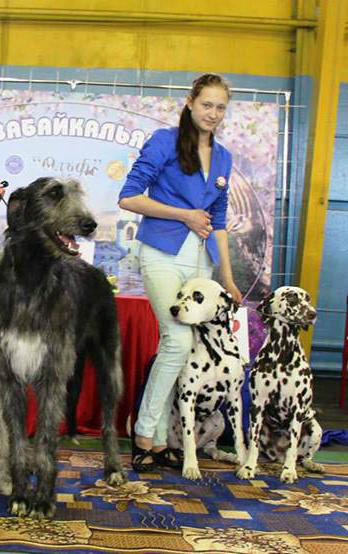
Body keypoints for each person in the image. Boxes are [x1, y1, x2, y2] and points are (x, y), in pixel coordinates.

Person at [118, 73, 243, 472]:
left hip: (202, 259)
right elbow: (129, 198)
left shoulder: (223, 156)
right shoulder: (164, 141)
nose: (213, 113)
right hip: (161, 252)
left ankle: (160, 439)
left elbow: (219, 220)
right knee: (176, 339)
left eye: (220, 107)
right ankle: (144, 431)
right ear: (190, 102)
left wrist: (227, 276)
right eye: (207, 104)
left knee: (189, 348)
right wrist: (184, 215)